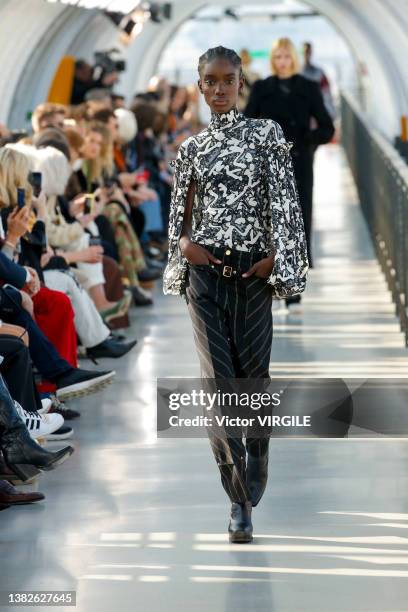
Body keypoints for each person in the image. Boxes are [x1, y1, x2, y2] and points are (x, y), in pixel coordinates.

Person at [163, 46, 308, 543]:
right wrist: (187, 248)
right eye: (210, 81)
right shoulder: (190, 150)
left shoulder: (267, 137)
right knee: (218, 384)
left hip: (254, 276)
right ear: (199, 86)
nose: (220, 89)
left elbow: (287, 205)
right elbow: (177, 222)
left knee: (253, 377)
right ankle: (238, 499)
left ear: (241, 82)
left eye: (228, 80)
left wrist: (278, 263)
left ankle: (259, 450)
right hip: (205, 278)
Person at [245, 37, 335, 301]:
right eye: (278, 57)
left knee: (298, 218)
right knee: (270, 218)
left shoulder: (308, 87)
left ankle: (294, 278)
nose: (282, 63)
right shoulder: (262, 88)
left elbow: (327, 126)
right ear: (273, 60)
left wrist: (308, 142)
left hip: (299, 161)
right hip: (269, 162)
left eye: (286, 57)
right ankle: (272, 275)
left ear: (293, 59)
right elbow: (249, 123)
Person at [302, 42, 336, 120]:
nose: (306, 54)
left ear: (311, 52)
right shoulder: (295, 73)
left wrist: (331, 112)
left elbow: (327, 94)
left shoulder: (319, 73)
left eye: (308, 51)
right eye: (304, 52)